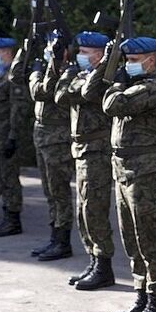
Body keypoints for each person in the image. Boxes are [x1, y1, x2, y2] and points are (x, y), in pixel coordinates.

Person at [98, 36, 156, 312]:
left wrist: (116, 83)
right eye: (125, 60)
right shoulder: (134, 84)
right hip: (125, 167)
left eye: (131, 60)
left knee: (149, 238)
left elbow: (111, 104)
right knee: (131, 237)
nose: (127, 66)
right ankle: (141, 294)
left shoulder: (153, 87)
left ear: (150, 61)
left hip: (145, 171)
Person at [54, 31, 115, 289]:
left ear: (100, 55)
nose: (80, 56)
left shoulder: (106, 77)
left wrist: (102, 67)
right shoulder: (80, 74)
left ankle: (103, 265)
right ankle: (93, 259)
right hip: (81, 148)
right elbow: (59, 94)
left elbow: (89, 92)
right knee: (83, 209)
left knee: (94, 208)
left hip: (97, 149)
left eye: (86, 53)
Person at [25, 32, 75, 261]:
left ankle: (63, 241)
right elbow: (17, 75)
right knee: (49, 191)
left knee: (60, 192)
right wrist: (26, 49)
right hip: (43, 138)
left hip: (58, 139)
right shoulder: (53, 69)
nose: (49, 50)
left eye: (53, 47)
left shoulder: (68, 71)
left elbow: (42, 91)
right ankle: (55, 236)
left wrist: (38, 71)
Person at [0, 37, 29, 238]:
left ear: (8, 54)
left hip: (5, 133)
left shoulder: (13, 77)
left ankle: (13, 219)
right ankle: (5, 216)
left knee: (9, 177)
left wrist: (13, 137)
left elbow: (18, 110)